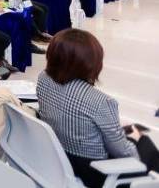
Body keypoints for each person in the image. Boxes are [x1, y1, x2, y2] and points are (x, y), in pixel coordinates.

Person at [37, 29, 159, 187]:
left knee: (129, 132)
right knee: (144, 142)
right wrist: (134, 139)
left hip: (59, 158)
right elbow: (122, 152)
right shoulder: (101, 101)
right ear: (90, 63)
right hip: (95, 172)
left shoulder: (43, 78)